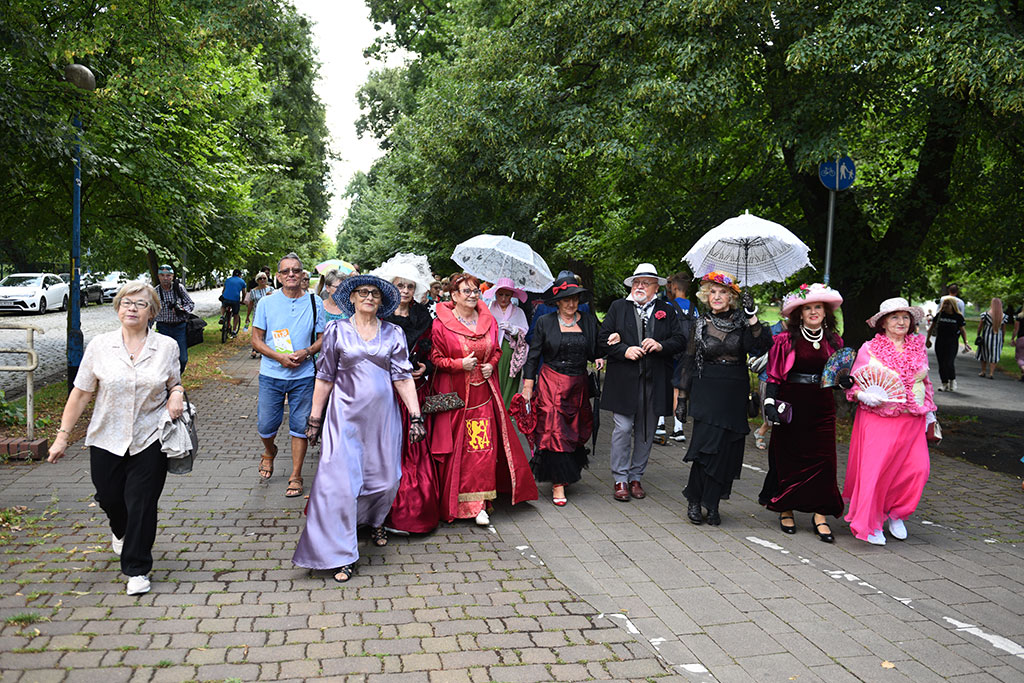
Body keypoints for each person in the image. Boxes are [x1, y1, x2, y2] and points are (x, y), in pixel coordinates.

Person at [47, 282, 185, 595]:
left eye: (140, 303)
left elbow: (174, 382)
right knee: (110, 497)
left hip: (149, 436)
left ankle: (137, 569)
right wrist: (62, 437)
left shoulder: (166, 346)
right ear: (118, 308)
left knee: (142, 502)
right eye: (126, 302)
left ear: (152, 311)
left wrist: (177, 393)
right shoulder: (100, 345)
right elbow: (81, 393)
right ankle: (120, 529)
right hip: (106, 437)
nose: (132, 308)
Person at [294, 275, 425, 582]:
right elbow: (325, 377)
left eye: (375, 294)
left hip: (383, 420)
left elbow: (403, 377)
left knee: (386, 481)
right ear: (351, 298)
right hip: (343, 419)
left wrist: (416, 416)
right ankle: (342, 554)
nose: (368, 297)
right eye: (363, 292)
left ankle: (374, 520)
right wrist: (314, 419)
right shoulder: (336, 331)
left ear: (381, 301)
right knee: (340, 486)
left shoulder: (393, 332)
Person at [429, 273, 538, 525]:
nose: (472, 295)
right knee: (458, 450)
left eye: (475, 291)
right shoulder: (440, 324)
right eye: (466, 291)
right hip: (456, 399)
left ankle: (479, 504)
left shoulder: (488, 321)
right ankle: (456, 501)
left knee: (482, 449)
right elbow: (435, 358)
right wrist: (459, 364)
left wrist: (491, 364)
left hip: (484, 397)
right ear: (454, 295)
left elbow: (497, 350)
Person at [677, 271, 769, 525]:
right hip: (707, 389)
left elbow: (760, 347)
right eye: (713, 292)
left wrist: (752, 315)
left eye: (723, 292)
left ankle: (713, 503)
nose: (717, 297)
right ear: (706, 296)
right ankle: (694, 500)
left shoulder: (743, 322)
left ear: (732, 297)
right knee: (705, 448)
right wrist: (682, 398)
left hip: (734, 391)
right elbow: (688, 361)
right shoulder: (700, 323)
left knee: (726, 450)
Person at [757, 284, 845, 542]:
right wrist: (770, 403)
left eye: (818, 307)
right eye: (808, 308)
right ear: (800, 313)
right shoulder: (785, 340)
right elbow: (774, 375)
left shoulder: (834, 341)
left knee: (825, 461)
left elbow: (836, 378)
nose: (813, 312)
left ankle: (820, 515)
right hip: (791, 404)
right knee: (788, 458)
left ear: (826, 312)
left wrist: (844, 382)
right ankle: (786, 508)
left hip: (822, 406)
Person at [844, 297, 935, 545]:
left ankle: (897, 513)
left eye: (905, 317)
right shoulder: (869, 349)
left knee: (917, 469)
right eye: (895, 317)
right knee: (876, 472)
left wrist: (930, 412)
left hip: (912, 419)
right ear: (883, 322)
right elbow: (854, 384)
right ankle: (869, 523)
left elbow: (926, 383)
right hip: (878, 418)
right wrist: (863, 395)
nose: (901, 322)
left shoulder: (918, 347)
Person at [598, 263, 686, 502]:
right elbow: (602, 339)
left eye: (645, 283)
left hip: (654, 381)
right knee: (623, 428)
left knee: (646, 431)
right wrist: (623, 350)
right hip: (623, 381)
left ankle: (635, 477)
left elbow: (680, 340)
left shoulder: (666, 310)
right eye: (636, 282)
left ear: (656, 287)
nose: (639, 286)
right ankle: (620, 478)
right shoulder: (618, 307)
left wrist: (660, 345)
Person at [372, 254, 440, 533]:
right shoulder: (380, 315)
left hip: (414, 392)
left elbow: (432, 350)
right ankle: (378, 511)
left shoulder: (423, 316)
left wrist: (425, 367)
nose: (405, 290)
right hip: (385, 391)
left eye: (410, 286)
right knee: (384, 447)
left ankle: (411, 511)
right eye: (400, 285)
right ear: (391, 286)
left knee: (413, 449)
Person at [522, 274, 603, 506]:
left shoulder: (588, 320)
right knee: (554, 431)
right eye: (566, 299)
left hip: (578, 385)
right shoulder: (544, 322)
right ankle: (558, 483)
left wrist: (601, 353)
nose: (571, 303)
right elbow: (533, 355)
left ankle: (567, 472)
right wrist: (528, 385)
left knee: (574, 430)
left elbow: (596, 347)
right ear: (557, 301)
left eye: (575, 298)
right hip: (551, 383)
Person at [251, 253, 326, 497]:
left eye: (295, 270)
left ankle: (296, 475)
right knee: (266, 425)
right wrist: (279, 357)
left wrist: (307, 352)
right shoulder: (266, 303)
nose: (291, 274)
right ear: (278, 276)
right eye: (285, 271)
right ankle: (269, 450)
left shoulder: (315, 302)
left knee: (300, 426)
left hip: (303, 376)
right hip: (271, 374)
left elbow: (322, 338)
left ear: (303, 274)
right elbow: (256, 340)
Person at [658, 272, 696, 443]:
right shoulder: (694, 308)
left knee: (663, 385)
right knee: (680, 389)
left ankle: (660, 423)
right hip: (688, 353)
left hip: (670, 350)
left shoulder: (668, 306)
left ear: (673, 287)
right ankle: (678, 428)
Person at [483, 278, 530, 407]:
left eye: (507, 295)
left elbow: (525, 332)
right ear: (496, 294)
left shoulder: (518, 312)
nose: (503, 298)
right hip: (492, 350)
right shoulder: (488, 309)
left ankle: (507, 410)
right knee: (493, 381)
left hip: (510, 351)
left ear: (512, 295)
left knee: (509, 382)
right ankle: (494, 410)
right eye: (501, 294)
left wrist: (514, 331)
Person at [153, 264, 195, 373]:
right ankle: (168, 380)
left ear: (172, 276)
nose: (165, 278)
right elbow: (151, 312)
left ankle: (177, 377)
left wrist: (182, 309)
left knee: (182, 359)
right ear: (158, 277)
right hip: (163, 328)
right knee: (165, 358)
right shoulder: (155, 292)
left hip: (179, 327)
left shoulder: (179, 288)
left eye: (168, 275)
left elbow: (190, 304)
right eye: (162, 275)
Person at [927, 296, 970, 391]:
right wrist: (928, 340)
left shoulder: (958, 317)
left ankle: (952, 381)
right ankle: (944, 383)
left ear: (953, 305)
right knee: (941, 363)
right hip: (940, 342)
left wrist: (965, 343)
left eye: (948, 304)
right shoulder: (939, 315)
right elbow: (931, 328)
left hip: (952, 343)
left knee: (949, 363)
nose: (945, 306)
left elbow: (962, 331)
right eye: (944, 304)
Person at [975, 297, 1011, 379]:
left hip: (986, 336)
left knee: (983, 353)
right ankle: (991, 373)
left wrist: (978, 334)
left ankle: (983, 371)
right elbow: (1003, 329)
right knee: (994, 354)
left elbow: (980, 326)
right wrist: (1003, 337)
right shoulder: (1004, 316)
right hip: (998, 337)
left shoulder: (985, 315)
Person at [244, 273, 275, 354]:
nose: (262, 280)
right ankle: (255, 349)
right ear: (257, 280)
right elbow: (251, 304)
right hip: (257, 314)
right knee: (257, 331)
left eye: (264, 278)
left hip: (269, 314)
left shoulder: (271, 289)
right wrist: (247, 316)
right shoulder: (253, 291)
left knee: (268, 331)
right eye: (260, 278)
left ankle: (266, 350)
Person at [220, 269, 247, 337]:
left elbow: (223, 291)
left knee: (223, 306)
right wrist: (243, 301)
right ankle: (234, 331)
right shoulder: (242, 281)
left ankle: (222, 316)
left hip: (226, 298)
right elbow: (244, 293)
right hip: (235, 300)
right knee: (236, 315)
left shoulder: (228, 280)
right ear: (240, 275)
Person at [1014, 305, 1024, 382]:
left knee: (1020, 358)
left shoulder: (1019, 316)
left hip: (1021, 338)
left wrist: (1012, 338)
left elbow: (1016, 329)